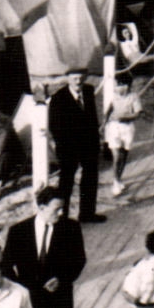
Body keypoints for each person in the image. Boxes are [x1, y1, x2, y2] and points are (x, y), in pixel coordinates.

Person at [46, 74, 105, 222]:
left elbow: (92, 117)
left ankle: (87, 213)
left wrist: (97, 140)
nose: (78, 81)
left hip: (89, 144)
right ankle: (62, 217)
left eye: (80, 78)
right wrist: (63, 146)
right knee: (66, 182)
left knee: (90, 178)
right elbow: (55, 127)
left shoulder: (88, 91)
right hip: (68, 147)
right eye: (74, 78)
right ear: (67, 79)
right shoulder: (58, 98)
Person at [102, 75, 143, 198]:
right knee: (116, 155)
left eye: (123, 85)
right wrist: (105, 123)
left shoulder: (133, 97)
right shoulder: (114, 97)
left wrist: (126, 117)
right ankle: (115, 181)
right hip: (114, 127)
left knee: (124, 154)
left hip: (127, 127)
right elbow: (108, 110)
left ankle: (119, 179)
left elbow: (138, 113)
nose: (120, 88)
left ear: (128, 86)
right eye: (118, 85)